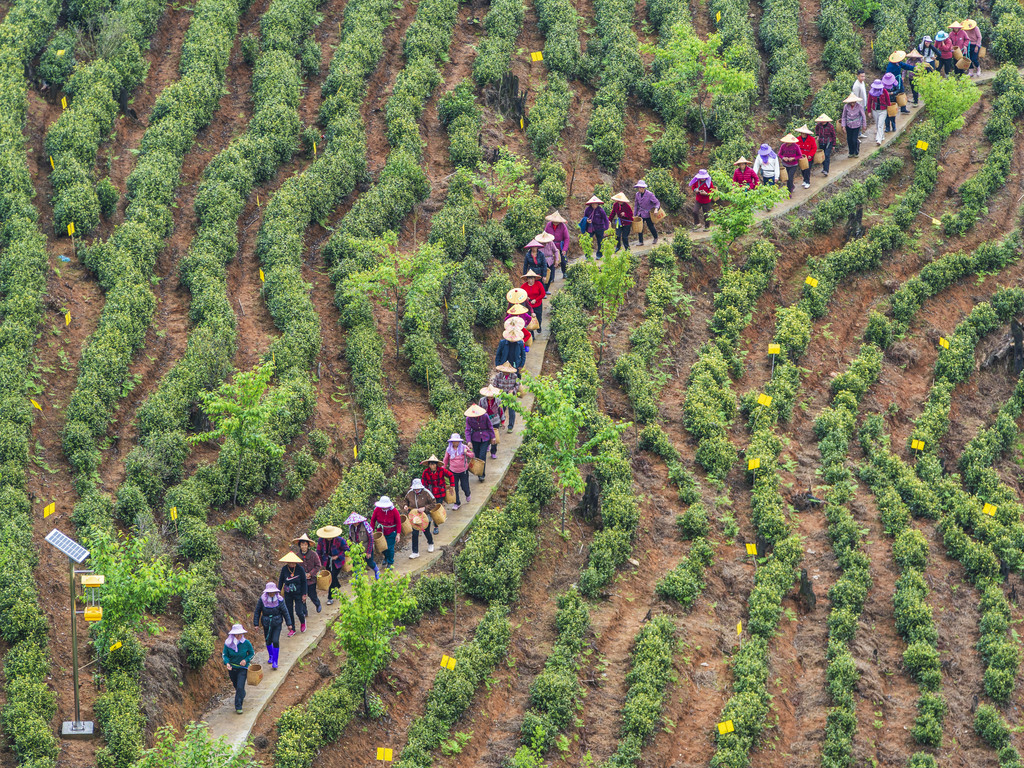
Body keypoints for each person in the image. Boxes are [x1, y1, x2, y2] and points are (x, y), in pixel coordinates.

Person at [253, 582, 291, 670]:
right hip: (266, 623)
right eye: (269, 592)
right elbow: (257, 611)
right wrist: (256, 624)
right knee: (268, 640)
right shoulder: (262, 600)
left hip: (277, 623)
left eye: (273, 592)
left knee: (275, 641)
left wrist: (289, 624)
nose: (271, 593)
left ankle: (275, 661)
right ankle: (271, 655)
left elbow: (285, 612)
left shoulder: (280, 600)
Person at [222, 624, 254, 714]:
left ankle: (238, 706)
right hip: (232, 668)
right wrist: (227, 663)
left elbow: (251, 653)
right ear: (233, 634)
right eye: (237, 634)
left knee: (240, 686)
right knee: (236, 686)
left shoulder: (246, 643)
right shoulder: (228, 644)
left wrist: (245, 660)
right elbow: (225, 655)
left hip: (242, 668)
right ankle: (242, 693)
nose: (239, 635)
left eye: (240, 633)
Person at [315, 525, 348, 605]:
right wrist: (319, 563)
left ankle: (330, 597)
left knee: (332, 577)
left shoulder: (340, 540)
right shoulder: (321, 540)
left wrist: (338, 556)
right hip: (327, 561)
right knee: (332, 577)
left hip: (337, 562)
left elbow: (346, 550)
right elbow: (318, 552)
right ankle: (337, 586)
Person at [404, 478, 436, 559]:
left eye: (418, 488)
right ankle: (415, 552)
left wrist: (425, 508)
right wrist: (405, 505)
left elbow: (433, 503)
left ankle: (430, 543)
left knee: (426, 531)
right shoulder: (410, 493)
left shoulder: (426, 492)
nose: (416, 490)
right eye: (415, 488)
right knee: (415, 533)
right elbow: (405, 501)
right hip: (414, 516)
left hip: (425, 516)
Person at [420, 454, 453, 531]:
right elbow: (423, 483)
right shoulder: (425, 472)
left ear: (436, 465)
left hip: (440, 492)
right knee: (431, 508)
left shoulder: (441, 470)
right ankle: (430, 524)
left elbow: (451, 475)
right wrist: (424, 492)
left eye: (433, 464)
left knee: (436, 508)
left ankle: (436, 526)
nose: (432, 466)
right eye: (430, 464)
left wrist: (451, 485)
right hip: (430, 493)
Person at [277, 552, 306, 636]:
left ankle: (303, 621)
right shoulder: (284, 569)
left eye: (293, 562)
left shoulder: (300, 569)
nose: (291, 564)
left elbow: (304, 582)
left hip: (298, 593)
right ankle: (292, 629)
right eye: (290, 562)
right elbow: (281, 581)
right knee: (289, 611)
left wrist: (304, 594)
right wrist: (278, 592)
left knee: (299, 611)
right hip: (288, 593)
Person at [465, 403, 495, 481]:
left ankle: (482, 475)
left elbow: (490, 426)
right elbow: (467, 430)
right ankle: (479, 472)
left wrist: (493, 437)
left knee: (482, 456)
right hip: (475, 438)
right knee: (477, 456)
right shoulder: (468, 419)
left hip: (485, 438)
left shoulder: (485, 416)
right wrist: (469, 441)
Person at [294, 534, 322, 615]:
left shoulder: (313, 554)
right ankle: (304, 611)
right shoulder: (296, 556)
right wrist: (302, 575)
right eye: (302, 545)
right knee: (302, 596)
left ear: (308, 545)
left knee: (312, 595)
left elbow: (318, 565)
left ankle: (317, 604)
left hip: (311, 580)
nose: (304, 546)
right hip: (301, 580)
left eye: (305, 544)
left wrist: (310, 574)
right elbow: (295, 568)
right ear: (300, 545)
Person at [346, 513, 379, 579]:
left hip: (366, 546)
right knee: (356, 563)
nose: (354, 524)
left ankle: (376, 571)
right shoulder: (351, 527)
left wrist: (369, 552)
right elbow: (350, 538)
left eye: (355, 522)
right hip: (356, 548)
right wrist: (349, 547)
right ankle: (357, 578)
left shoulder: (366, 525)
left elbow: (371, 539)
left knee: (370, 562)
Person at [370, 496, 400, 570]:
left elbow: (398, 522)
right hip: (381, 532)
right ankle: (386, 557)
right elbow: (373, 520)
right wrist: (371, 531)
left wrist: (398, 534)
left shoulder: (394, 511)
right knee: (382, 547)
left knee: (390, 548)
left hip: (391, 531)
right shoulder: (377, 509)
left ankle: (390, 562)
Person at [443, 433, 471, 509]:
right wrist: (443, 468)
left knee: (464, 486)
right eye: (454, 441)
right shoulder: (449, 449)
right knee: (454, 488)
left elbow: (472, 455)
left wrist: (466, 453)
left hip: (463, 471)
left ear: (459, 441)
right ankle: (457, 503)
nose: (455, 443)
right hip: (453, 472)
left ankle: (467, 493)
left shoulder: (464, 447)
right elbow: (445, 459)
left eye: (457, 441)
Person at [491, 362, 520, 432]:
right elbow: (494, 385)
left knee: (512, 411)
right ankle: (501, 421)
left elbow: (517, 384)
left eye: (507, 371)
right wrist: (498, 391)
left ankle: (510, 427)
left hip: (510, 396)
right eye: (504, 371)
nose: (505, 373)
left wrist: (513, 391)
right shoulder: (498, 376)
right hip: (502, 394)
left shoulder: (514, 376)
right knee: (501, 409)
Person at [478, 386, 504, 457]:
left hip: (495, 420)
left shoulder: (498, 401)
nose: (490, 397)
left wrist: (502, 421)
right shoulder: (482, 401)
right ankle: (487, 445)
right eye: (488, 396)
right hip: (485, 421)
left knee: (495, 436)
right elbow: (479, 410)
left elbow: (501, 411)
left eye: (491, 396)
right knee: (486, 435)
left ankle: (493, 452)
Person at [544, 211, 570, 281]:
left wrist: (564, 249)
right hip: (551, 246)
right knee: (551, 261)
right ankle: (551, 278)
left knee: (563, 260)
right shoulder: (548, 225)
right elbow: (545, 235)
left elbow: (567, 238)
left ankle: (565, 272)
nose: (555, 222)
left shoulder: (563, 226)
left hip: (560, 246)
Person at [633, 180, 661, 246]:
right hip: (641, 213)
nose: (639, 189)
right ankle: (641, 241)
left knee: (650, 226)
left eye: (640, 187)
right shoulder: (637, 194)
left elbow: (657, 202)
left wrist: (656, 209)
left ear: (643, 188)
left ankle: (655, 237)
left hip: (648, 213)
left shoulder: (649, 194)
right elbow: (636, 205)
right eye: (638, 188)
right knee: (640, 227)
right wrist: (634, 214)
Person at [841, 94, 866, 158]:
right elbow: (843, 116)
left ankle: (856, 152)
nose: (852, 103)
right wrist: (843, 126)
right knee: (849, 139)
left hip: (857, 125)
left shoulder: (859, 106)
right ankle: (851, 152)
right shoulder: (846, 106)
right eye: (851, 101)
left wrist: (864, 125)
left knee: (854, 139)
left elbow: (863, 116)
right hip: (848, 125)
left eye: (854, 101)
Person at [867, 79, 890, 145]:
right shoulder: (871, 92)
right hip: (875, 110)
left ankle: (878, 139)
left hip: (883, 110)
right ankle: (882, 136)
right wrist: (869, 111)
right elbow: (869, 102)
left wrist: (889, 108)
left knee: (880, 124)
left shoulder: (884, 91)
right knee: (878, 124)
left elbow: (888, 101)